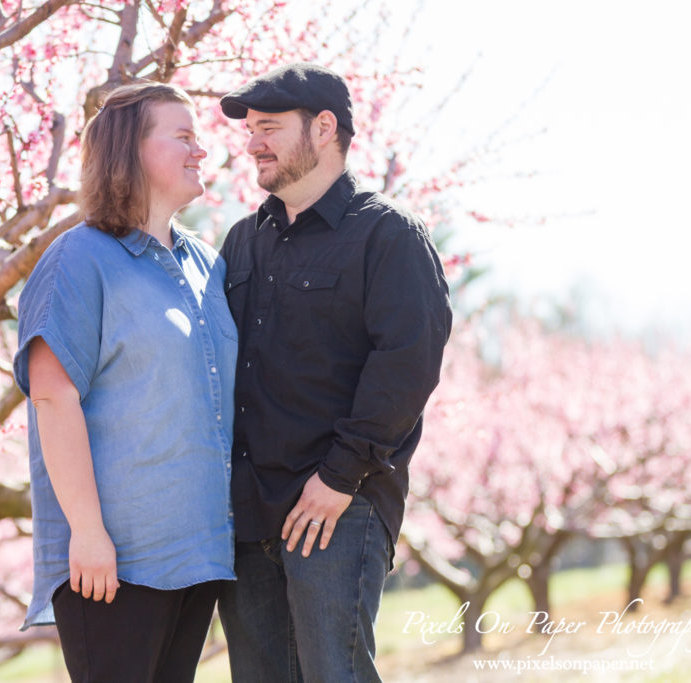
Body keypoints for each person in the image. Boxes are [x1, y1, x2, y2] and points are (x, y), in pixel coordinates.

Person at [215, 63, 453, 682]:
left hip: (336, 507)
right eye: (249, 130)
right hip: (247, 513)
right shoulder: (241, 242)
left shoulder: (388, 236)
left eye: (268, 127)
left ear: (324, 128)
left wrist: (339, 477)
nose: (252, 142)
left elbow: (408, 364)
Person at [12, 82, 238, 683]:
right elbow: (52, 395)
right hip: (114, 563)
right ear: (129, 152)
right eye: (183, 137)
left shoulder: (206, 264)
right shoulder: (78, 258)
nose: (201, 151)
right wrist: (86, 531)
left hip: (198, 553)